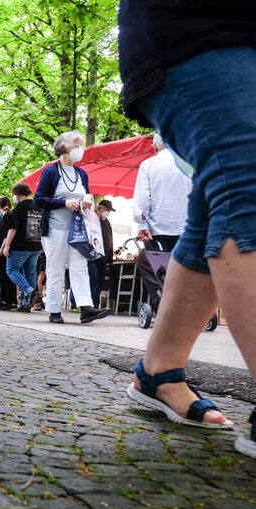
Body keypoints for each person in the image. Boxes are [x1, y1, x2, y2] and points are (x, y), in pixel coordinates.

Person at [117, 1, 254, 438]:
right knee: (244, 182)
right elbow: (143, 200)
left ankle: (159, 371)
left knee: (216, 206)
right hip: (197, 28)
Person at [34, 130, 110, 325]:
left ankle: (86, 308)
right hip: (55, 228)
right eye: (76, 144)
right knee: (55, 268)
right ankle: (54, 309)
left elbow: (88, 195)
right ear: (64, 147)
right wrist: (64, 203)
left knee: (80, 266)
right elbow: (39, 199)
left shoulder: (81, 173)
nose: (80, 149)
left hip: (77, 230)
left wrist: (87, 200)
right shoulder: (51, 171)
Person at [132, 133, 191, 252]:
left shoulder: (147, 165)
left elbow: (143, 200)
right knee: (185, 269)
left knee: (159, 269)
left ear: (154, 147)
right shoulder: (190, 165)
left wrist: (142, 225)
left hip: (156, 232)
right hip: (187, 230)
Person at [0, 183, 42, 312]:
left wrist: (7, 246)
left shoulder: (20, 208)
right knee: (30, 274)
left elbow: (13, 228)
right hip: (35, 245)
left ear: (17, 195)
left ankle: (29, 292)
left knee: (11, 270)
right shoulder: (38, 207)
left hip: (20, 246)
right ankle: (26, 304)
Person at [0, 197, 16, 310]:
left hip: (1, 251)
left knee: (5, 275)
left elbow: (7, 234)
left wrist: (2, 248)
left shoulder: (8, 217)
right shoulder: (6, 217)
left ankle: (9, 300)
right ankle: (5, 299)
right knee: (3, 276)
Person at [90, 199, 115, 308]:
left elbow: (110, 238)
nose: (108, 212)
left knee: (99, 280)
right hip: (92, 255)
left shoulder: (106, 221)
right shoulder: (92, 218)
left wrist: (110, 257)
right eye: (106, 210)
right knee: (93, 278)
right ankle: (93, 305)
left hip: (103, 257)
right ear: (99, 208)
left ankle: (95, 304)